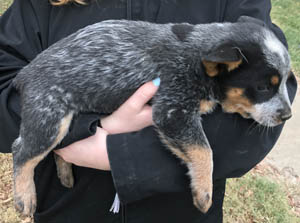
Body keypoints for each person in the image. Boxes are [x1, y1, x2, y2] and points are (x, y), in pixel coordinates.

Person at [0, 0, 297, 222]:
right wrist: (77, 133)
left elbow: (255, 124)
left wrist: (121, 154)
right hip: (68, 210)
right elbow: (13, 84)